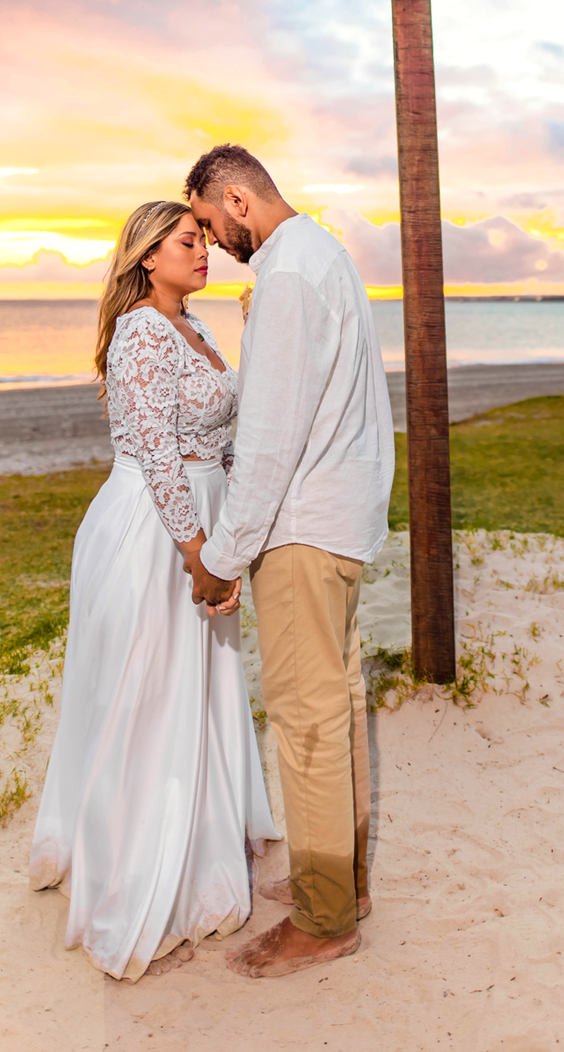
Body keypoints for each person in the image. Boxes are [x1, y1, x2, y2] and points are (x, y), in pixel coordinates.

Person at [28, 199, 275, 981]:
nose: (203, 252)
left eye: (203, 240)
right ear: (146, 257)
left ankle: (201, 842)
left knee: (196, 689)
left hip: (205, 521)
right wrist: (199, 552)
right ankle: (136, 874)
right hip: (153, 530)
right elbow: (160, 454)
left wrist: (233, 531)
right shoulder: (141, 332)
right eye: (187, 241)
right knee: (150, 696)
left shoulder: (194, 326)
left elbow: (217, 439)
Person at [184, 144, 395, 980]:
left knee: (307, 722)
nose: (212, 240)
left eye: (210, 222)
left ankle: (323, 920)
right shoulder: (324, 255)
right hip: (339, 520)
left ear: (238, 199)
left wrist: (224, 557)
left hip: (304, 528)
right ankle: (342, 885)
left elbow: (270, 439)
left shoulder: (288, 276)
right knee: (334, 708)